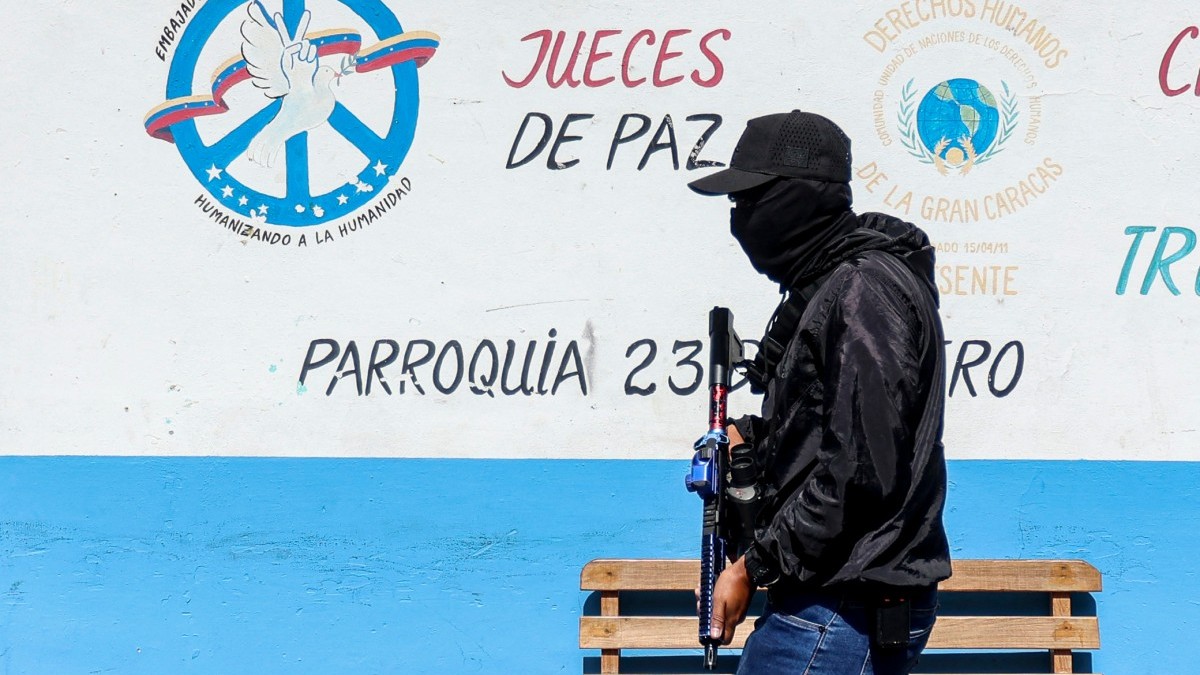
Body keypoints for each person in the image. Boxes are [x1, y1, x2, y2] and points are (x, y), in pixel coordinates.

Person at [686, 110, 952, 675]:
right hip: (835, 597)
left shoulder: (863, 291)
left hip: (841, 605)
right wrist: (753, 442)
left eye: (749, 201)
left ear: (795, 199)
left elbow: (860, 472)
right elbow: (839, 432)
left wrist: (749, 567)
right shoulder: (837, 282)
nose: (738, 219)